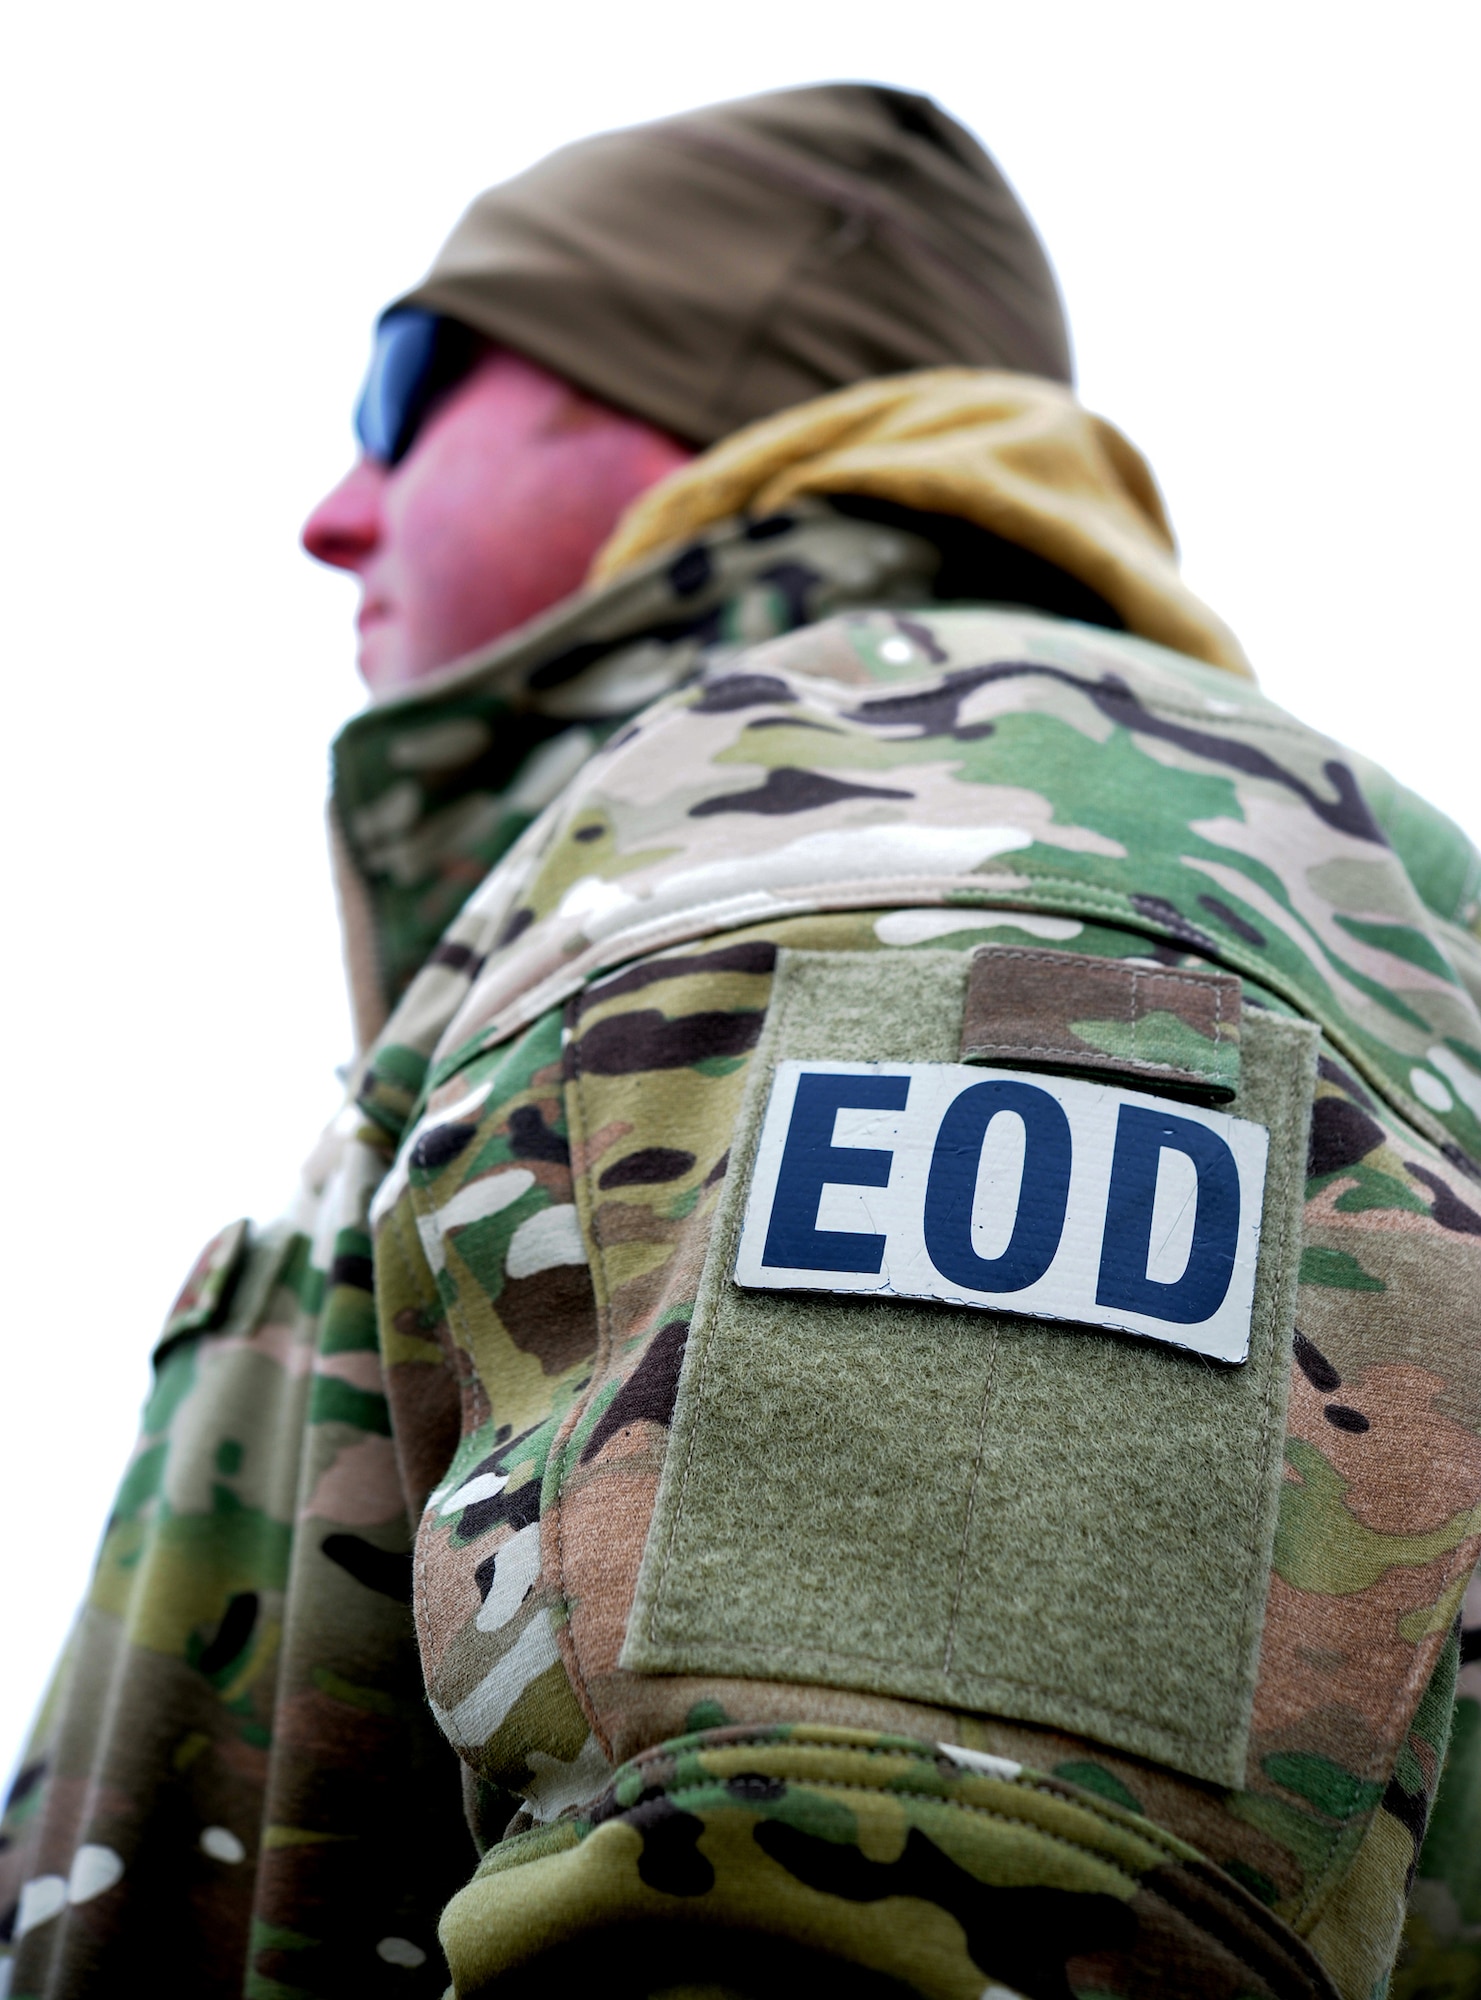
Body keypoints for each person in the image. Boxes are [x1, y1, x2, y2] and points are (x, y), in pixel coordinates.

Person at [4, 80, 1481, 2000]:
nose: (331, 509)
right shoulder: (739, 843)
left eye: (403, 392)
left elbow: (872, 1927)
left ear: (701, 384)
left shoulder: (918, 818)